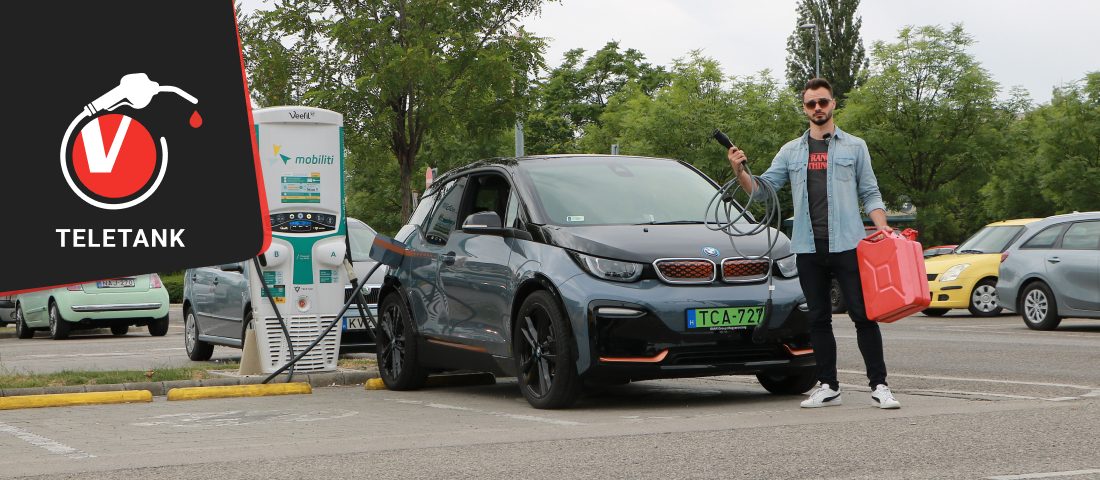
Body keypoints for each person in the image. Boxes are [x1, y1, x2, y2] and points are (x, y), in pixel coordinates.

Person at [727, 78, 900, 409]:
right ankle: (828, 384)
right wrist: (740, 172)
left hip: (850, 244)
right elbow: (763, 191)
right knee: (818, 318)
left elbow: (870, 192)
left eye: (823, 102)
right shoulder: (791, 151)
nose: (817, 108)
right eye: (811, 104)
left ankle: (879, 385)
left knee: (864, 316)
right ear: (804, 108)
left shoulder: (854, 146)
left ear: (833, 104)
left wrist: (884, 229)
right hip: (807, 247)